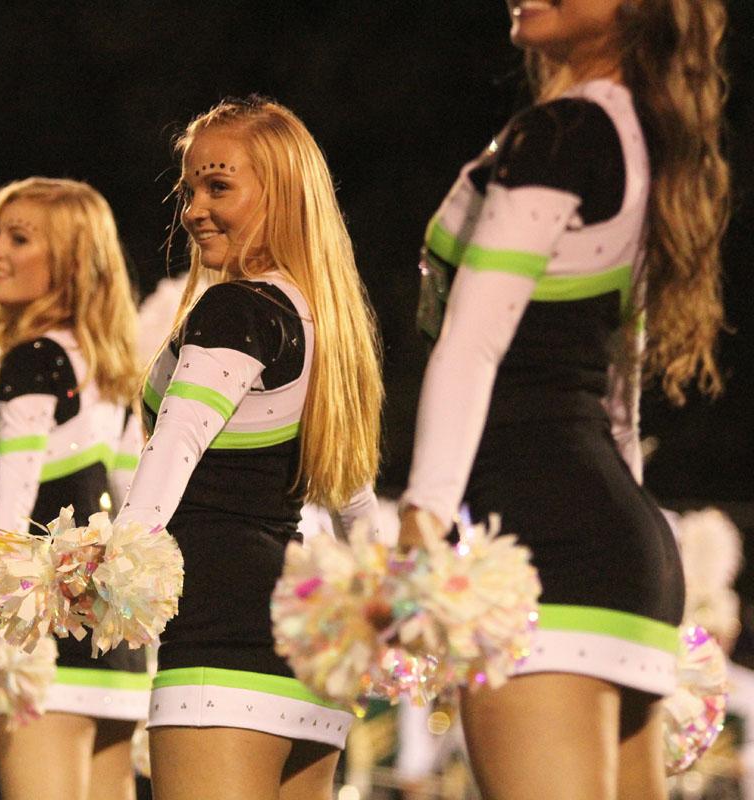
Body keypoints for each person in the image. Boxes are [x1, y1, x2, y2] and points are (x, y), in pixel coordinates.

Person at [398, 1, 730, 798]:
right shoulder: (631, 139)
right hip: (623, 545)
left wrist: (421, 521)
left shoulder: (564, 135)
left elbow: (473, 341)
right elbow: (621, 396)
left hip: (549, 542)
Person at [113, 97, 383, 800]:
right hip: (312, 642)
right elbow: (355, 498)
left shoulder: (238, 309)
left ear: (284, 194)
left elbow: (176, 442)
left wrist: (118, 561)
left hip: (222, 634)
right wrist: (392, 601)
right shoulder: (324, 322)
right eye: (190, 190)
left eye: (219, 186)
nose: (195, 209)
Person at [0, 177, 149, 800]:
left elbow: (12, 508)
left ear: (72, 261)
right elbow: (134, 508)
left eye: (19, 238)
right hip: (112, 642)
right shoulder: (111, 368)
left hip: (41, 642)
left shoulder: (35, 360)